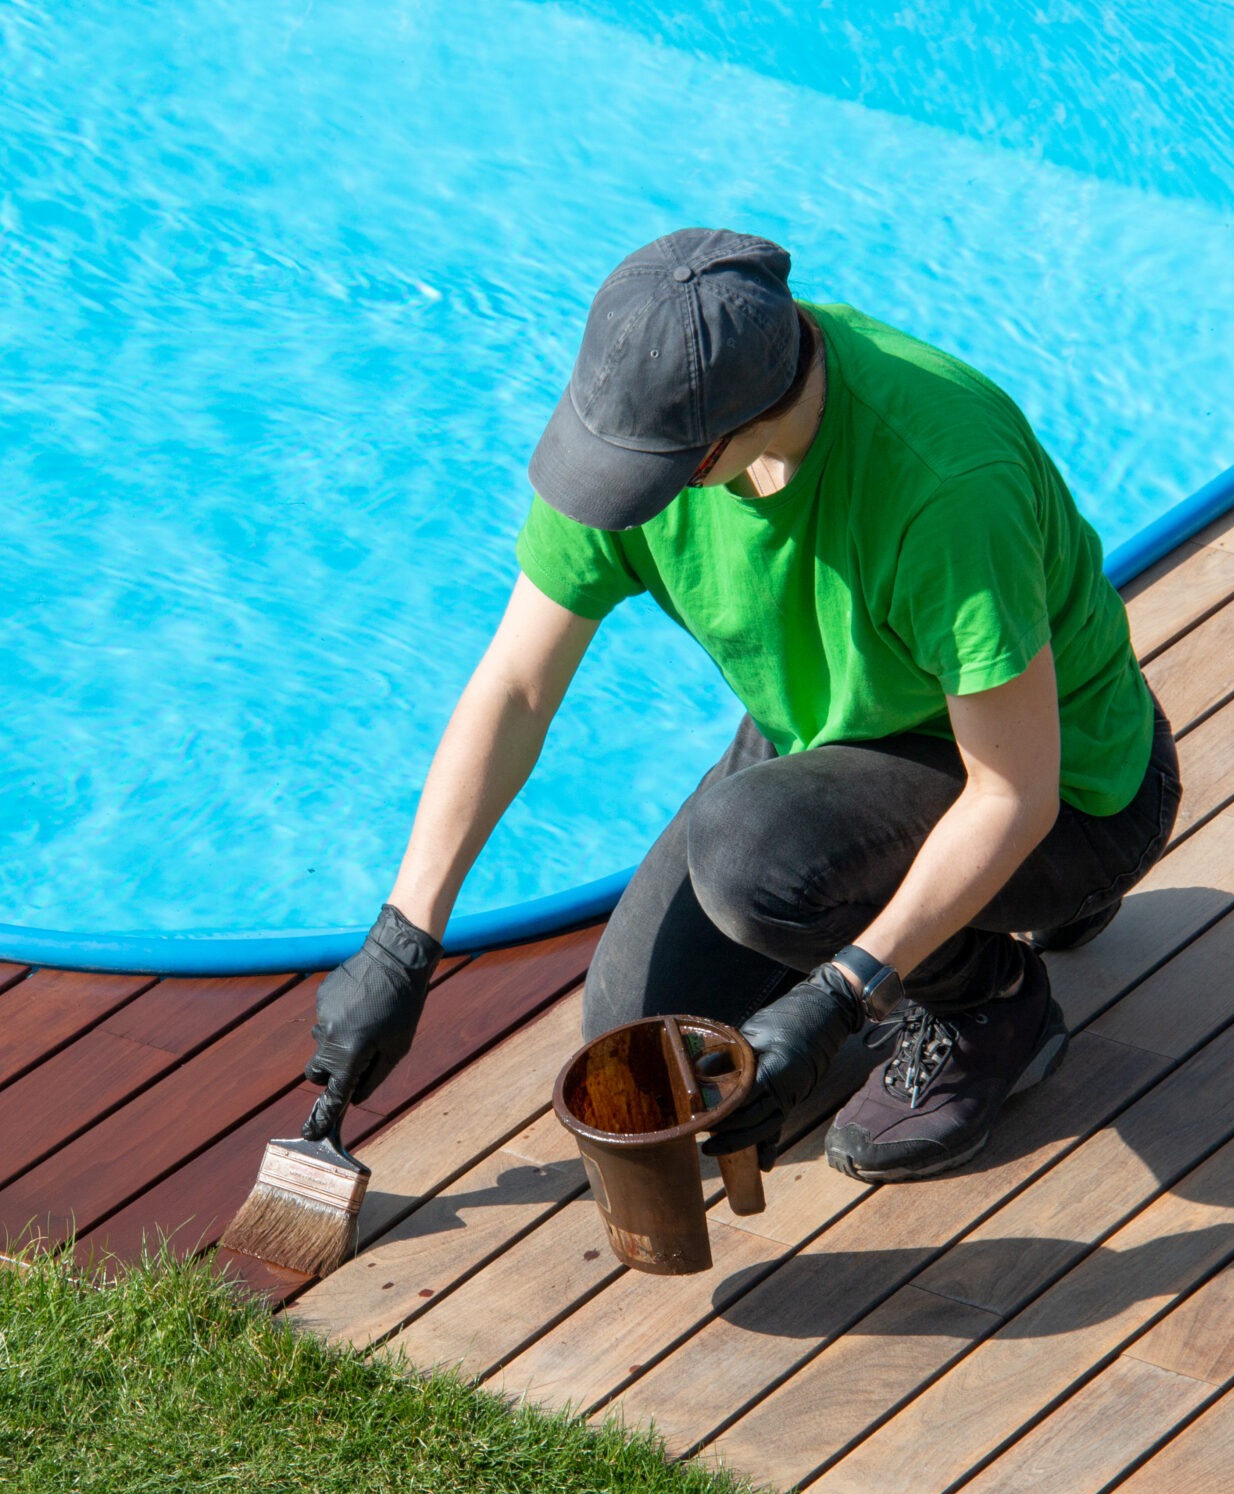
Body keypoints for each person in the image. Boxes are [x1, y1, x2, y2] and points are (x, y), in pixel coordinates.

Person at [300, 228, 1179, 1182]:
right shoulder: (641, 415)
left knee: (748, 857)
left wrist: (842, 997)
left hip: (1068, 796)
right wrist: (403, 940)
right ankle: (907, 920)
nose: (628, 492)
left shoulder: (941, 479)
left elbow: (1015, 793)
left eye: (654, 472)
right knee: (641, 1036)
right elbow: (516, 685)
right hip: (840, 742)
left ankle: (987, 998)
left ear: (731, 432)